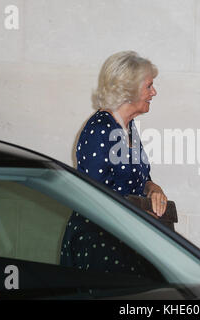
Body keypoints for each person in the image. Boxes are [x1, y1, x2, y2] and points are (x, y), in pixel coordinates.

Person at [60, 51, 167, 278]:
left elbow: (141, 178)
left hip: (126, 238)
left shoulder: (127, 126)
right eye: (149, 86)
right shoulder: (100, 129)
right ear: (129, 90)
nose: (154, 92)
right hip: (99, 243)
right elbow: (93, 197)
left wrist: (153, 189)